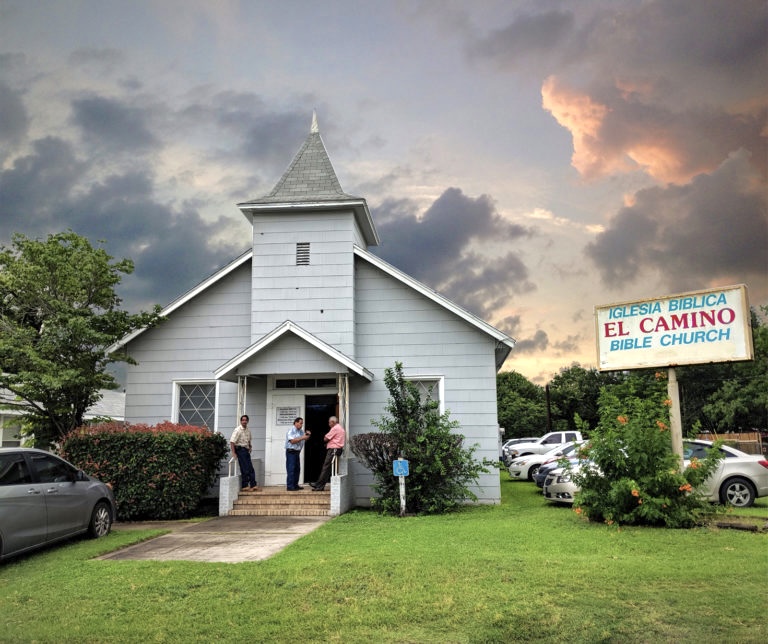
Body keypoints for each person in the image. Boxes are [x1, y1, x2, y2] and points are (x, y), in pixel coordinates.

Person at [311, 416, 345, 491]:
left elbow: (325, 438)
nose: (329, 424)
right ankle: (320, 485)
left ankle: (318, 485)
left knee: (326, 467)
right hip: (337, 449)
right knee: (328, 468)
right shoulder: (340, 428)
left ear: (333, 422)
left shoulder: (335, 428)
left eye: (329, 422)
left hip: (334, 450)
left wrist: (327, 439)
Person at [230, 414, 257, 491]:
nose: (244, 421)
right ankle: (245, 486)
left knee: (251, 468)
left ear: (247, 421)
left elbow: (249, 440)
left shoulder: (248, 430)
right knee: (245, 468)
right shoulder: (238, 430)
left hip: (246, 450)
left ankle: (253, 485)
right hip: (240, 450)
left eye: (246, 420)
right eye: (243, 420)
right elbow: (232, 442)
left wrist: (250, 446)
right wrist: (234, 453)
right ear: (241, 421)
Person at [285, 417, 311, 491]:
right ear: (295, 423)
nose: (301, 425)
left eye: (302, 423)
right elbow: (292, 441)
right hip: (291, 452)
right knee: (291, 469)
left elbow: (304, 438)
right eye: (300, 423)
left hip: (297, 452)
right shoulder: (291, 431)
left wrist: (307, 435)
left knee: (297, 469)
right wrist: (303, 437)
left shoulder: (300, 431)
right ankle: (290, 486)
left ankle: (295, 485)